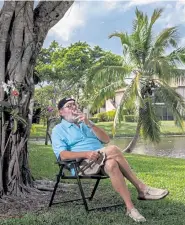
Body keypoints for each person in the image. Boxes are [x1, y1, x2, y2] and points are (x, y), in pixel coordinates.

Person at [52, 97, 169, 223]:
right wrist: (86, 154)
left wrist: (89, 124)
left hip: (101, 159)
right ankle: (142, 188)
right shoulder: (58, 130)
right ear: (61, 112)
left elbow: (106, 139)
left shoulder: (85, 123)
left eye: (74, 105)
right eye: (69, 106)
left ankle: (130, 208)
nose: (74, 108)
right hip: (82, 164)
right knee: (112, 149)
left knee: (112, 164)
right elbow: (63, 155)